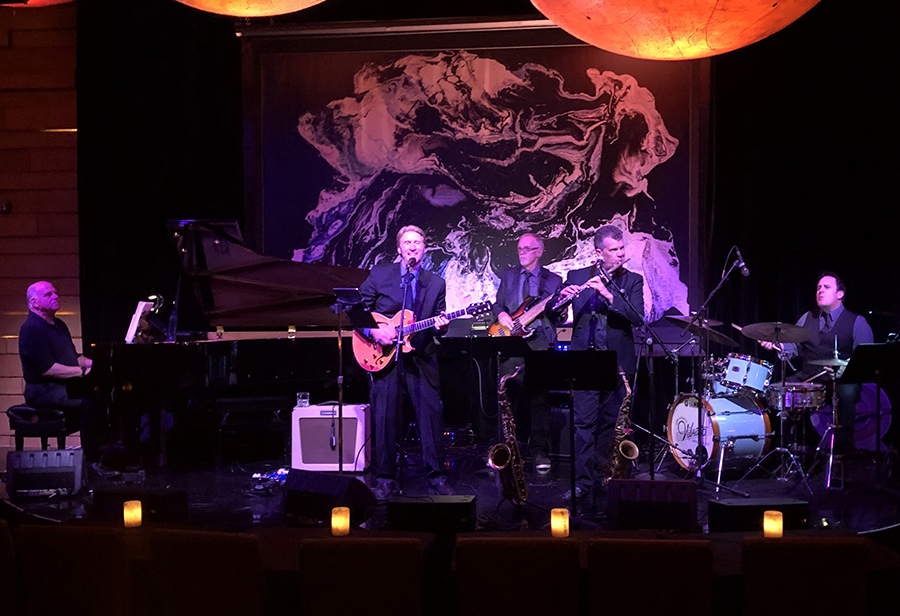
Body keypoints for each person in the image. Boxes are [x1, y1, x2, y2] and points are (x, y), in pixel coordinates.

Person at [552, 225, 644, 504]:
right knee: (583, 425)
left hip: (618, 363)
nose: (620, 254)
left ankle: (606, 478)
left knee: (611, 424)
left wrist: (609, 295)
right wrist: (561, 301)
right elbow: (554, 315)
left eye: (622, 248)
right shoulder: (577, 276)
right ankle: (582, 483)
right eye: (614, 250)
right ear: (599, 253)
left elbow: (637, 318)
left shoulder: (633, 280)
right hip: (586, 361)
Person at [359, 226, 452, 499]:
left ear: (424, 249)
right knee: (385, 417)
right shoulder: (380, 274)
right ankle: (385, 479)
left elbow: (438, 323)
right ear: (399, 248)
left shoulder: (436, 283)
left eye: (418, 242)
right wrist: (373, 331)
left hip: (421, 356)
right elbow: (356, 309)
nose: (413, 246)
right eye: (408, 242)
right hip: (385, 356)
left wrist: (442, 326)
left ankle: (437, 478)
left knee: (431, 418)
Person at [761, 272, 873, 453]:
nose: (820, 290)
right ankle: (787, 447)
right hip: (809, 378)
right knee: (775, 391)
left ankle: (842, 449)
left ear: (840, 294)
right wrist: (778, 345)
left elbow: (865, 358)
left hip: (840, 381)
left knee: (848, 391)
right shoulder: (807, 317)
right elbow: (794, 347)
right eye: (818, 287)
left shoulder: (857, 322)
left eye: (826, 287)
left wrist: (845, 367)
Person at [17, 281, 115, 475]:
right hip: (43, 390)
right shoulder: (31, 329)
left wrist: (98, 364)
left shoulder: (59, 325)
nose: (56, 297)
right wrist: (83, 372)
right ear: (34, 303)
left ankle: (106, 453)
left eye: (55, 293)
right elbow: (48, 369)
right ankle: (91, 463)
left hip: (61, 386)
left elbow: (72, 358)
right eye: (49, 294)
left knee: (105, 394)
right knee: (89, 401)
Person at [492, 233, 562, 473]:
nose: (522, 252)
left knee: (540, 400)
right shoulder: (509, 276)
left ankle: (539, 450)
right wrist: (501, 314)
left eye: (527, 249)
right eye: (520, 249)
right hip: (511, 343)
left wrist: (560, 309)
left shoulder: (554, 280)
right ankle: (507, 449)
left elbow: (557, 314)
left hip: (540, 344)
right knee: (507, 398)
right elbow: (498, 304)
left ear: (539, 252)